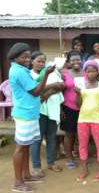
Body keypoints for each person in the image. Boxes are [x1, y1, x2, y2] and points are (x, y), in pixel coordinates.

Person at [8, 42, 55, 192]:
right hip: (25, 114)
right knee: (21, 148)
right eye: (24, 57)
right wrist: (46, 74)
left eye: (28, 56)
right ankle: (18, 182)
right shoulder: (19, 72)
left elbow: (32, 87)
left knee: (26, 146)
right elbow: (35, 91)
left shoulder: (20, 69)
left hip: (29, 112)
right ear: (15, 57)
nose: (28, 59)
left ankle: (26, 175)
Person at [30, 53, 65, 178]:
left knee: (51, 137)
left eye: (43, 61)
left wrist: (48, 93)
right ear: (32, 61)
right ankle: (36, 167)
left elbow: (61, 86)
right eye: (38, 61)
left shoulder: (52, 72)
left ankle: (51, 162)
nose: (41, 64)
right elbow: (35, 90)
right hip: (38, 111)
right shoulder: (30, 75)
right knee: (37, 139)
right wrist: (52, 86)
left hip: (53, 109)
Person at [75, 60, 99, 181]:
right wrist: (78, 94)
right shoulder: (81, 86)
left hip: (97, 120)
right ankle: (84, 169)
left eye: (93, 71)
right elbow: (78, 105)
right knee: (82, 145)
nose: (90, 73)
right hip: (83, 119)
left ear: (97, 72)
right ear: (85, 72)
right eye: (88, 71)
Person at [60, 51, 84, 169]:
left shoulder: (86, 72)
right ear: (69, 62)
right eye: (73, 60)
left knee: (82, 134)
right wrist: (61, 109)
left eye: (78, 59)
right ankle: (69, 157)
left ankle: (82, 155)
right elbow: (59, 92)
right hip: (68, 107)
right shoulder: (64, 74)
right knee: (69, 134)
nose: (76, 62)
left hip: (84, 108)